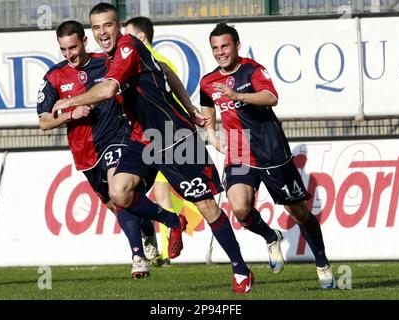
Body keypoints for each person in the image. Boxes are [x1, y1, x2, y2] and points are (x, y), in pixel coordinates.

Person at [52, 3, 254, 294]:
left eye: (107, 25)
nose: (102, 33)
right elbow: (168, 71)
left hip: (174, 136)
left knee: (207, 206)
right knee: (118, 192)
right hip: (142, 140)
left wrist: (69, 102)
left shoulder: (127, 47)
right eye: (96, 28)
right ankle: (173, 220)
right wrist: (190, 105)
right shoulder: (108, 58)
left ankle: (240, 270)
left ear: (118, 25)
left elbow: (109, 90)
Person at [200, 22, 335, 289]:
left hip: (270, 149)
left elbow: (271, 97)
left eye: (225, 46)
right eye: (215, 48)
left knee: (298, 212)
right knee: (239, 208)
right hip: (239, 149)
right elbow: (207, 104)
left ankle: (322, 262)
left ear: (237, 46)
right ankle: (270, 235)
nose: (220, 52)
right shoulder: (208, 80)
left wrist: (238, 94)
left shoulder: (253, 69)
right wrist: (212, 134)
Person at [37, 20, 157, 279]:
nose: (69, 55)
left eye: (73, 47)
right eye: (63, 50)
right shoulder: (54, 76)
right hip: (85, 154)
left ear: (84, 41)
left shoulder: (106, 62)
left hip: (116, 138)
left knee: (119, 192)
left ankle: (138, 257)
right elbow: (44, 121)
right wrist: (69, 114)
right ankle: (147, 229)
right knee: (116, 206)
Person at [124, 16, 197, 264]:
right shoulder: (133, 60)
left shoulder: (154, 60)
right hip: (153, 137)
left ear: (141, 37)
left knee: (169, 196)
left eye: (128, 34)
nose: (124, 39)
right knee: (140, 194)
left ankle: (165, 252)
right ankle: (160, 245)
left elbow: (170, 98)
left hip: (166, 136)